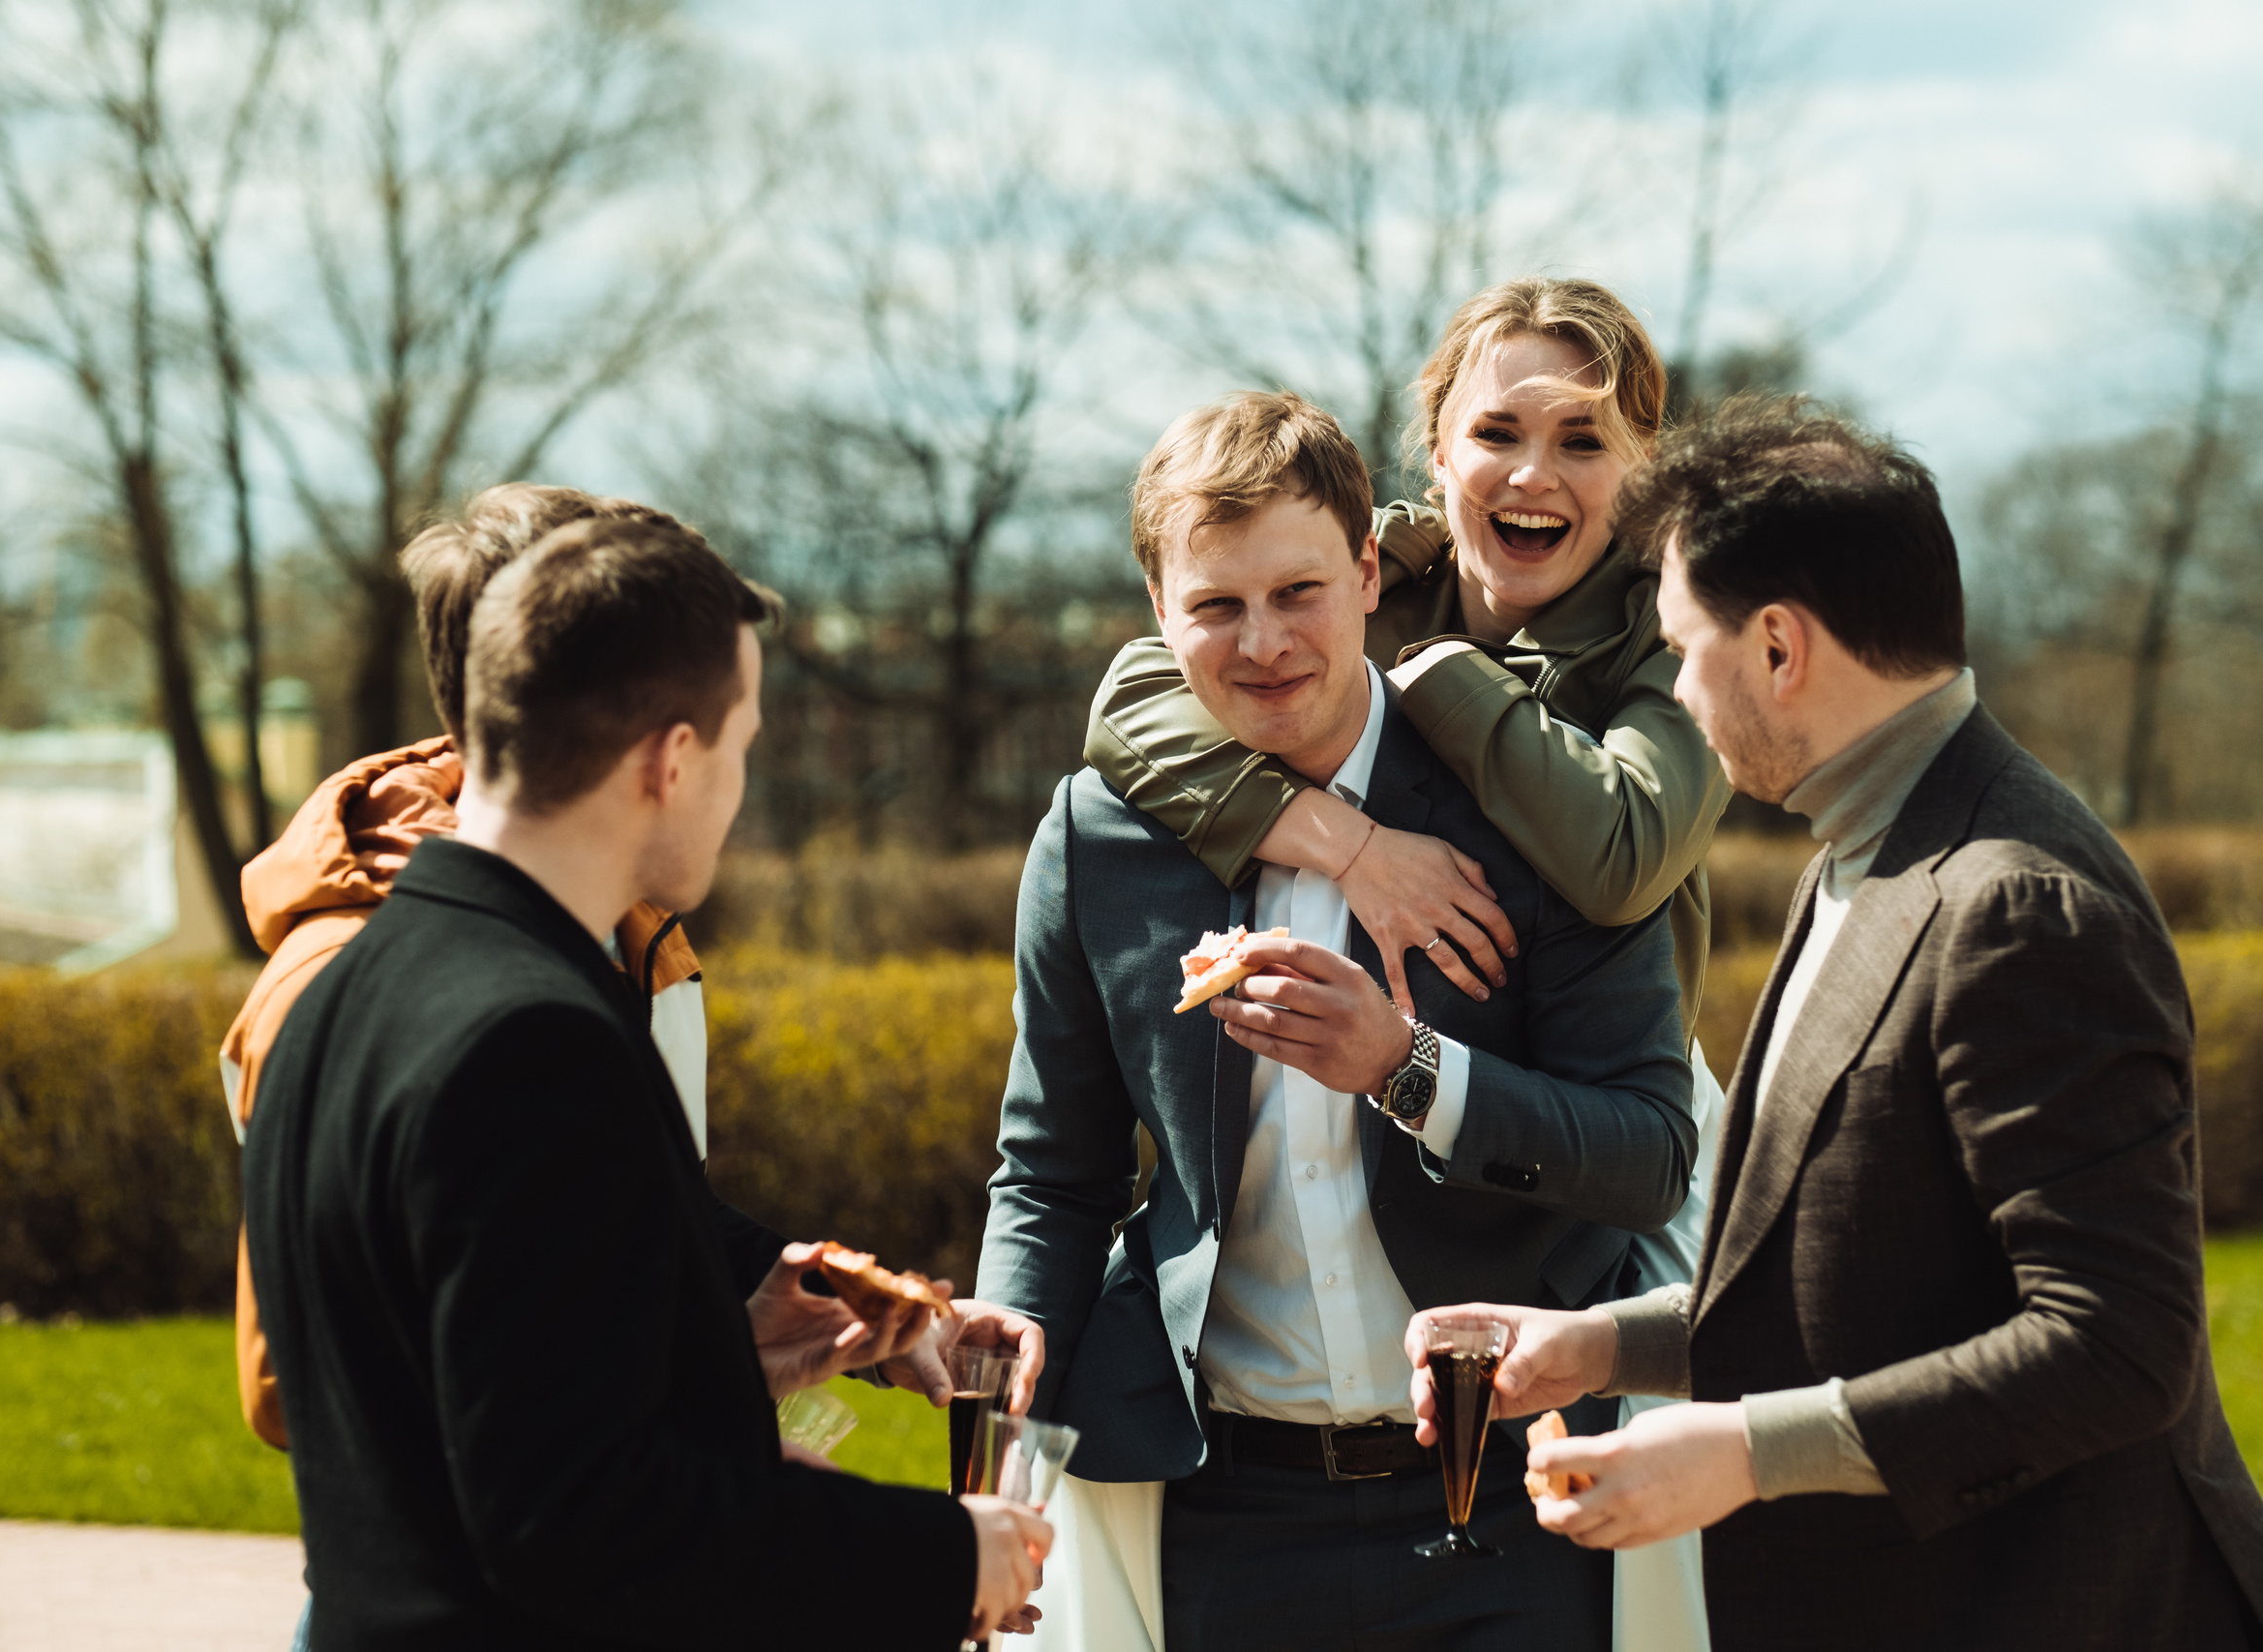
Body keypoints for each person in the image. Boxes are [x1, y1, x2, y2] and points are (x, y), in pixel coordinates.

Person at [1415, 397, 2263, 1649]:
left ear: (1778, 646)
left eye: (1682, 648)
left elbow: (2116, 1343)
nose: (1676, 689)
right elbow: (1871, 1285)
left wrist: (1746, 1451)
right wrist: (1602, 1346)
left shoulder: (2017, 906)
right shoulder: (1863, 849)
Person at [244, 509, 1050, 1648]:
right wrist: (947, 1555)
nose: (739, 789)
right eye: (741, 747)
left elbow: (466, 1426)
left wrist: (714, 1351)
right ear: (671, 761)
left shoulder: (344, 988)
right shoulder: (530, 1038)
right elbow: (577, 1523)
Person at [975, 390, 1696, 1652]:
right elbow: (1052, 1173)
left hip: (1520, 1494)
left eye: (1298, 591)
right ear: (1157, 610)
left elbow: (1649, 1155)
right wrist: (1007, 1376)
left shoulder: (1530, 801)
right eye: (1215, 605)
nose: (1262, 643)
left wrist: (1406, 1068)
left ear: (1369, 572)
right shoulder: (1093, 836)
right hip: (1223, 1512)